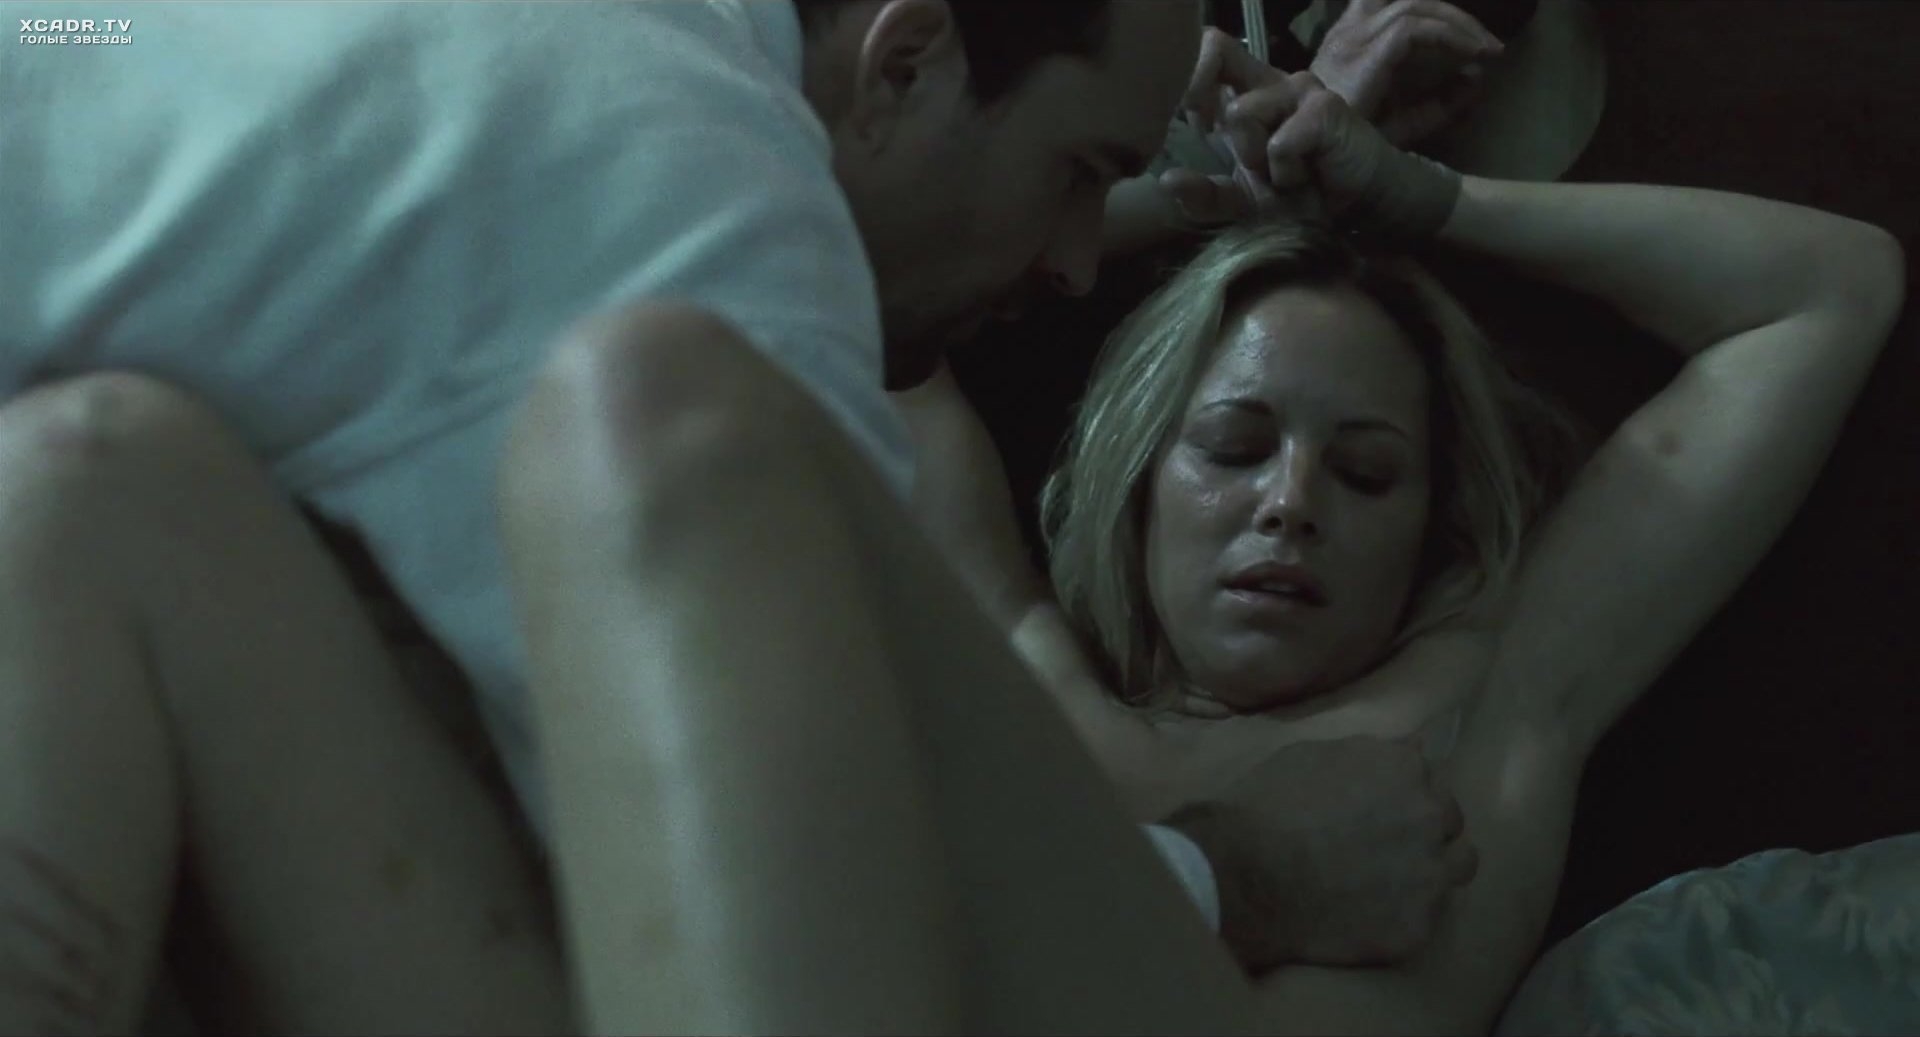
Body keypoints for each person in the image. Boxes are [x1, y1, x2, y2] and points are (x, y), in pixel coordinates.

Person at [0, 1, 1502, 1031]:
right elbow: (847, 879)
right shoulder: (706, 205)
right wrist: (1243, 873)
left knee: (96, 478)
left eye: (1368, 470)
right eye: (1078, 173)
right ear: (903, 59)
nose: (1069, 260)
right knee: (661, 400)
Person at [881, 46, 1905, 1037]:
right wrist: (1207, 193)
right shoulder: (1020, 684)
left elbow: (1823, 292)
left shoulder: (1487, 712)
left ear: (1426, 525)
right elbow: (868, 289)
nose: (1290, 503)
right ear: (1138, 483)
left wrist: (1421, 196)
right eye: (1235, 448)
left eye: (1366, 472)